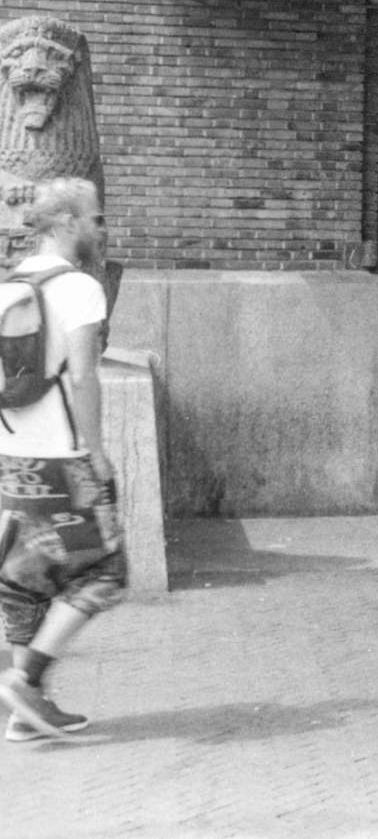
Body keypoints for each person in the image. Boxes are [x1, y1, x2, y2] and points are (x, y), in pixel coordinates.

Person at [0, 177, 123, 741]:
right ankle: (29, 679)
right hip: (64, 458)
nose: (100, 228)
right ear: (70, 222)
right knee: (105, 571)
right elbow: (83, 376)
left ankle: (23, 716)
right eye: (95, 218)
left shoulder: (9, 283)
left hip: (14, 455)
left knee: (24, 581)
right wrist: (95, 451)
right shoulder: (79, 288)